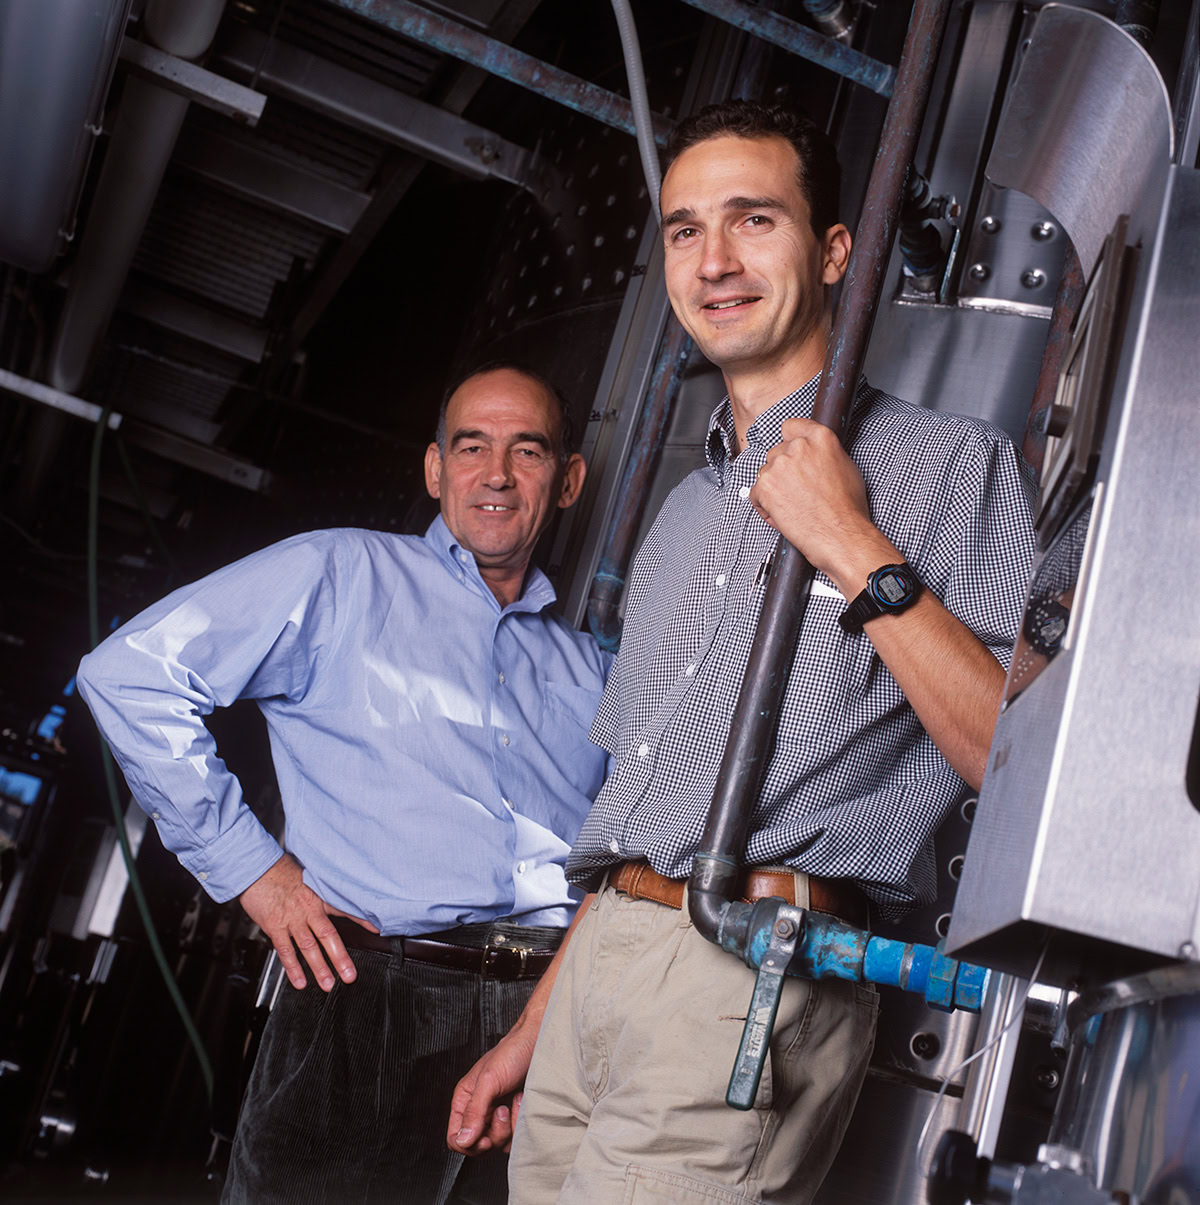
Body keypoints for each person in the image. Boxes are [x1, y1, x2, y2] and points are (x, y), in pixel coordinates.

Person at [448, 102, 1035, 1203]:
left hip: (747, 972)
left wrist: (855, 546)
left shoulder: (955, 465)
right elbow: (637, 803)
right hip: (601, 963)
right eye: (683, 230)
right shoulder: (683, 509)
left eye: (752, 220)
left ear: (832, 253)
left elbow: (1017, 760)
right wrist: (536, 1027)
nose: (713, 260)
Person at [76, 363, 611, 1205]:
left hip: (548, 1022)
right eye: (471, 446)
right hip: (365, 1002)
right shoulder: (341, 574)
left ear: (569, 478)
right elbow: (129, 675)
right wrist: (256, 872)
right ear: (435, 470)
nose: (497, 474)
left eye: (528, 450)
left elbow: (631, 855)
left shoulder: (593, 667)